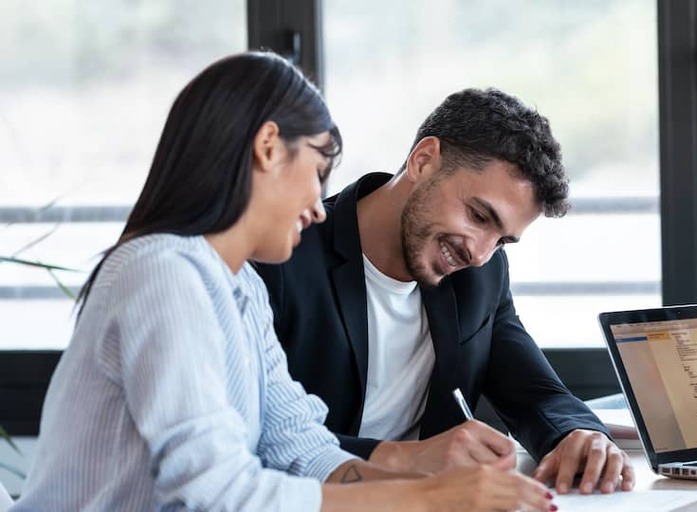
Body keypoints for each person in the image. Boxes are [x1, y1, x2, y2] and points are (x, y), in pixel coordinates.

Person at [13, 52, 554, 512]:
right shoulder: (161, 273)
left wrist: (435, 482)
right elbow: (218, 491)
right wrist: (429, 499)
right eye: (318, 172)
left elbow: (302, 449)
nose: (320, 208)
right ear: (269, 147)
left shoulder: (239, 286)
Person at [251, 87, 635, 495]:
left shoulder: (480, 275)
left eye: (502, 240)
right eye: (478, 215)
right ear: (424, 160)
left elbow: (534, 392)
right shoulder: (281, 259)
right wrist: (408, 460)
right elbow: (255, 441)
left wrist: (579, 434)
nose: (480, 252)